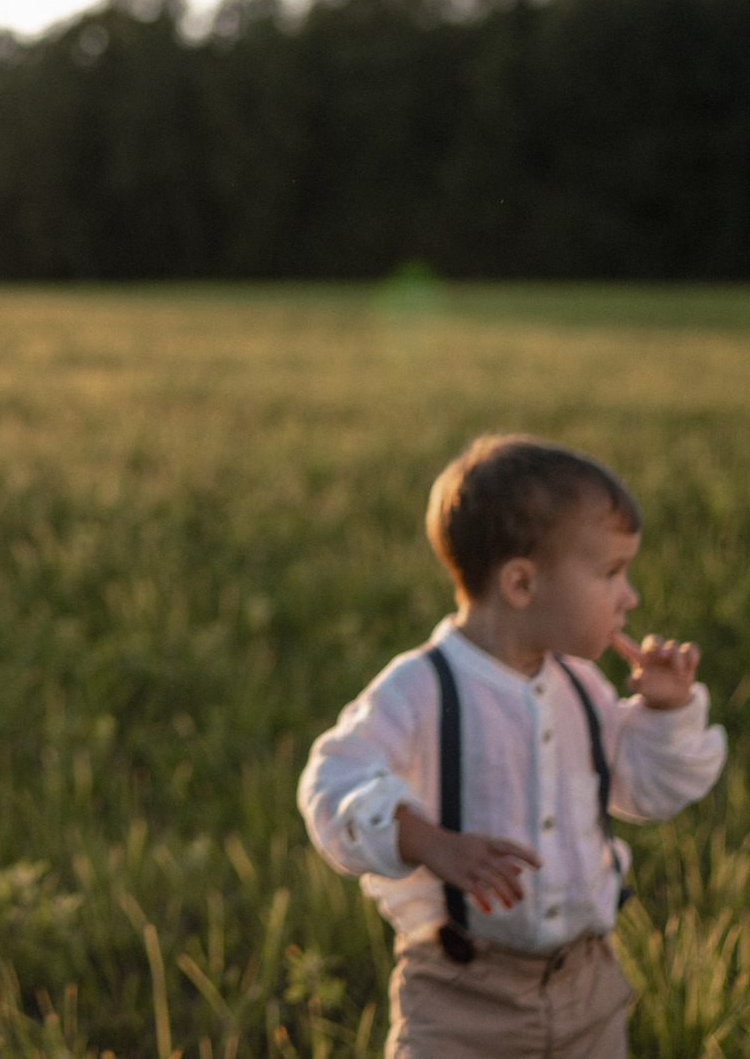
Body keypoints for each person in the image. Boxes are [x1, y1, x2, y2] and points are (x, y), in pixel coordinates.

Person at [298, 435, 727, 1058]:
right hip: (459, 994)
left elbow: (648, 790)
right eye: (610, 573)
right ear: (521, 584)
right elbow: (332, 781)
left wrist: (665, 711)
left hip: (586, 987)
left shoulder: (579, 686)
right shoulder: (422, 687)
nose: (629, 597)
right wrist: (427, 841)